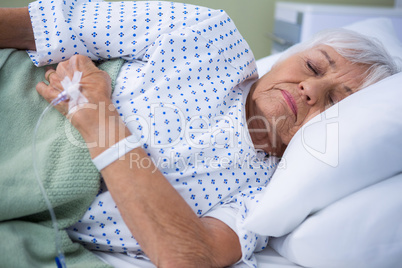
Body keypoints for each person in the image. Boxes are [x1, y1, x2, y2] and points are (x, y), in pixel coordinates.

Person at [0, 1, 399, 267]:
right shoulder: (208, 35)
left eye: (334, 101)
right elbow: (39, 26)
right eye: (313, 67)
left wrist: (101, 121)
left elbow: (190, 258)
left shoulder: (269, 197)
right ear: (289, 57)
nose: (311, 90)